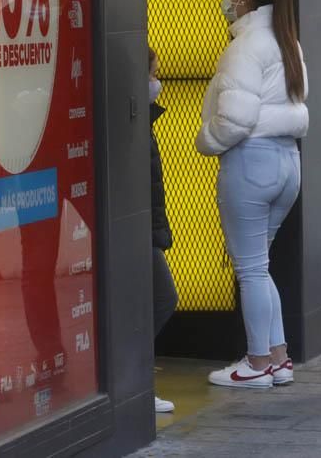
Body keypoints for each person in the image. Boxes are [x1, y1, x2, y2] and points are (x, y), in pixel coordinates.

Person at [196, 0, 309, 389]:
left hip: (250, 163)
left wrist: (206, 139)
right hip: (286, 163)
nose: (226, 0)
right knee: (260, 266)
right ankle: (278, 358)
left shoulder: (244, 46)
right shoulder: (288, 42)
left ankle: (258, 362)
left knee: (250, 269)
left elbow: (235, 119)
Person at [148, 47, 179, 412]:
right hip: (137, 232)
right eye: (154, 73)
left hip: (145, 228)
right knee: (163, 298)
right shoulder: (134, 121)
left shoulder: (144, 119)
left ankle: (136, 375)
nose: (158, 82)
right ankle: (134, 375)